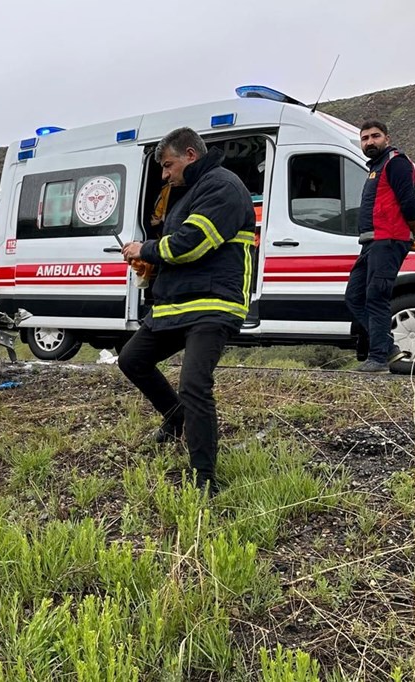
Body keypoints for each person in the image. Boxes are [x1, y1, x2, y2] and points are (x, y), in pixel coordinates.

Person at [119, 127, 257, 496]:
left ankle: (204, 477)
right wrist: (153, 268)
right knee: (132, 359)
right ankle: (176, 418)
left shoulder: (222, 186)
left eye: (168, 165)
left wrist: (144, 250)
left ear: (190, 155)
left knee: (194, 384)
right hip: (177, 304)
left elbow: (191, 244)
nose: (164, 174)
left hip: (213, 304)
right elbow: (175, 249)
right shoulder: (187, 193)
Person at [346, 120, 415, 372]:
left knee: (376, 296)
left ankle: (378, 358)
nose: (369, 141)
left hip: (388, 240)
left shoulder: (396, 163)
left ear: (387, 139)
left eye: (375, 136)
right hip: (371, 242)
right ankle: (388, 348)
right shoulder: (375, 167)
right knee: (355, 296)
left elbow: (410, 202)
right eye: (365, 138)